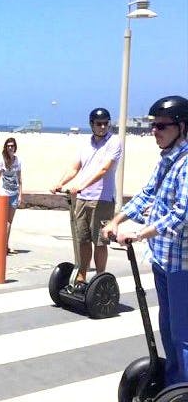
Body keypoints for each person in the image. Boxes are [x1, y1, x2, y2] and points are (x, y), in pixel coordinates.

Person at [103, 95, 188, 387]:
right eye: (153, 126)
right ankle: (175, 383)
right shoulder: (167, 160)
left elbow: (182, 215)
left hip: (183, 264)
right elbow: (147, 194)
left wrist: (139, 233)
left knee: (183, 334)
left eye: (162, 126)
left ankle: (183, 387)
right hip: (163, 259)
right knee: (166, 328)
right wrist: (117, 220)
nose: (155, 131)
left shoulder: (187, 163)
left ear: (182, 127)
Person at [51, 107, 121, 288]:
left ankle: (100, 278)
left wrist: (81, 185)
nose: (103, 127)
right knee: (83, 239)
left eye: (106, 123)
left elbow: (104, 169)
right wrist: (60, 182)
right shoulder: (85, 145)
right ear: (91, 124)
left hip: (103, 199)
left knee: (100, 241)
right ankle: (81, 276)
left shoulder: (114, 142)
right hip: (83, 199)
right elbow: (75, 168)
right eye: (99, 124)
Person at [0, 137, 23, 254]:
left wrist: (20, 194)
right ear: (5, 147)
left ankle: (5, 245)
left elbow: (20, 178)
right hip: (3, 194)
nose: (10, 148)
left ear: (15, 147)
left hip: (14, 194)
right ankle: (0, 244)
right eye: (8, 146)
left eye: (12, 146)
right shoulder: (1, 160)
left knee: (9, 222)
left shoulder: (18, 161)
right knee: (2, 221)